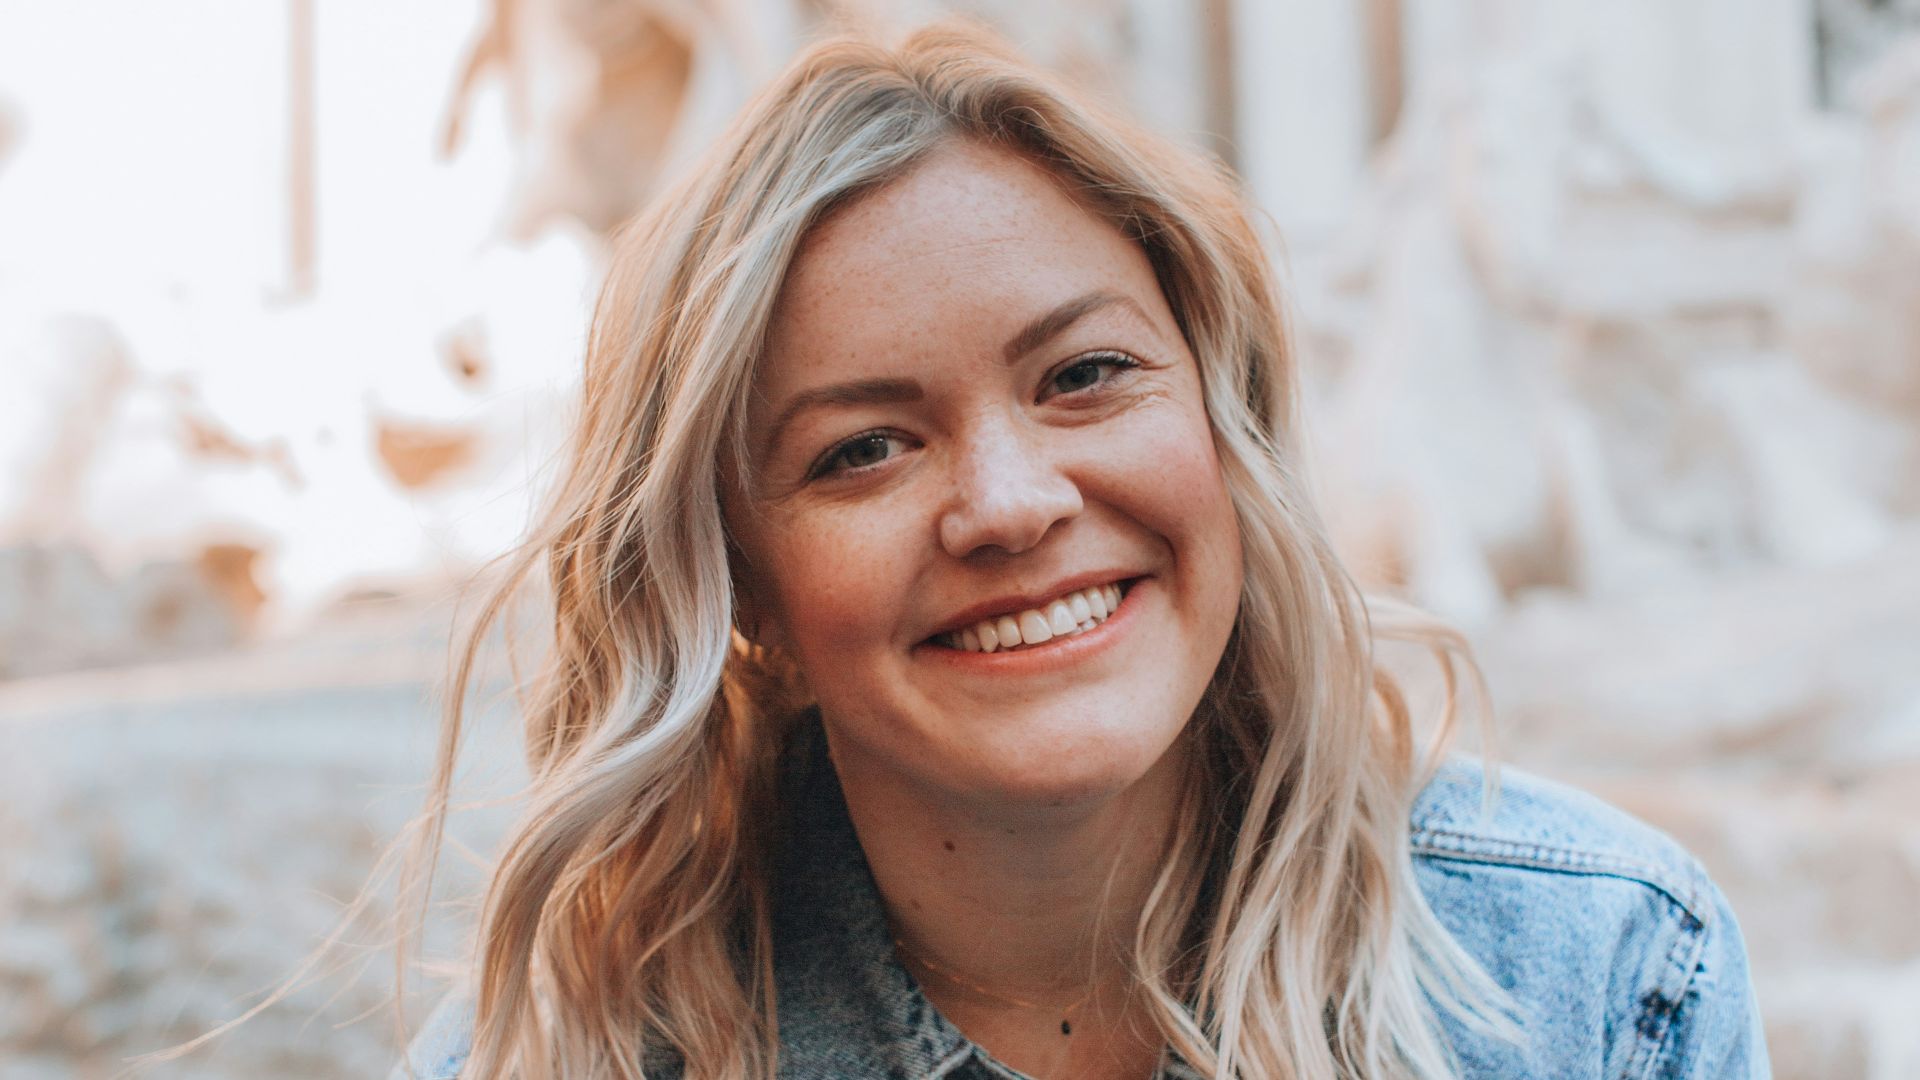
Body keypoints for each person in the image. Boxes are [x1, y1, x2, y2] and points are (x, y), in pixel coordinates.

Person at [390, 23, 1769, 1080]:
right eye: (863, 449)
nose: (1009, 504)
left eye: (1086, 374)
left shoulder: (1602, 972)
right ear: (739, 582)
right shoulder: (558, 1055)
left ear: (1226, 424)